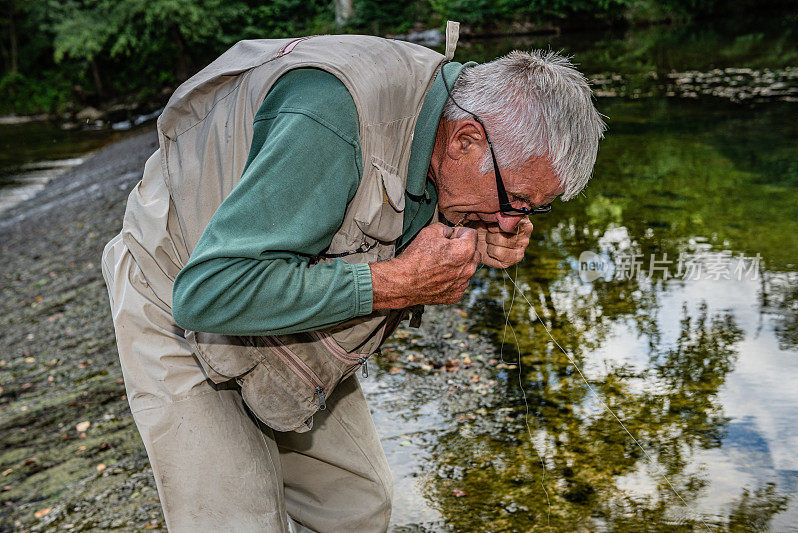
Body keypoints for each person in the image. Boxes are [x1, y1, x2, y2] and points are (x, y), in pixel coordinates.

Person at [101, 22, 605, 533]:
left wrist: (475, 230)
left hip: (274, 300)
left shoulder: (454, 123)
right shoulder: (330, 118)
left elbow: (399, 212)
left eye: (532, 209)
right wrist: (395, 284)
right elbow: (209, 291)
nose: (514, 222)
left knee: (356, 507)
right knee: (238, 520)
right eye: (515, 201)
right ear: (466, 141)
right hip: (175, 287)